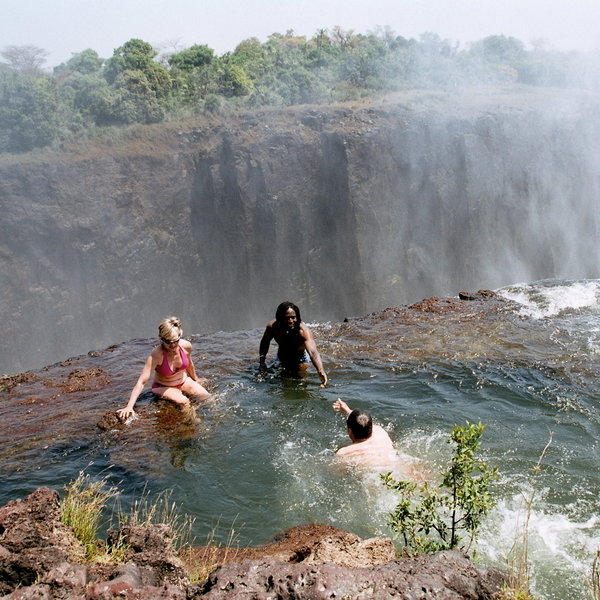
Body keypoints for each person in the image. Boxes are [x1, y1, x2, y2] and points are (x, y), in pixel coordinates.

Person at [116, 316, 209, 421]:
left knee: (206, 396)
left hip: (183, 381)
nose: (172, 345)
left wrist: (195, 379)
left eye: (175, 341)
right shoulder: (157, 355)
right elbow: (142, 381)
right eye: (168, 342)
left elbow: (189, 364)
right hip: (163, 386)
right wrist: (129, 406)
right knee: (184, 402)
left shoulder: (186, 346)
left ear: (180, 336)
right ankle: (194, 425)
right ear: (162, 339)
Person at [259, 301, 328, 387]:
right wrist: (262, 362)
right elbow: (265, 342)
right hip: (282, 356)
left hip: (300, 358)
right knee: (282, 381)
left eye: (293, 317)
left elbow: (313, 352)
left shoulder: (303, 331)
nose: (290, 321)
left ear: (297, 317)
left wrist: (320, 370)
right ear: (279, 318)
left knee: (299, 382)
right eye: (286, 318)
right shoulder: (273, 327)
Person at [332, 398, 396, 467]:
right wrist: (348, 410)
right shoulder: (380, 432)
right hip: (394, 466)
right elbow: (366, 423)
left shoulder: (344, 453)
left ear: (350, 431)